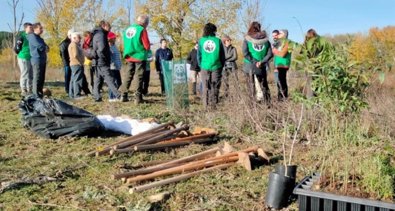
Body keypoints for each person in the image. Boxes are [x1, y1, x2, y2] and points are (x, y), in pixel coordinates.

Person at [119, 15, 151, 104]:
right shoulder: (142, 30)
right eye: (147, 23)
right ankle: (137, 97)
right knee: (139, 76)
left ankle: (123, 95)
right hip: (139, 55)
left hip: (129, 55)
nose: (147, 25)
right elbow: (146, 45)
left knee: (128, 75)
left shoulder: (128, 29)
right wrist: (148, 47)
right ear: (145, 23)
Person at [242, 21, 272, 104]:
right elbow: (270, 54)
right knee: (264, 86)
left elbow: (245, 53)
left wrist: (254, 61)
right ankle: (268, 104)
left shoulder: (247, 39)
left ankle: (252, 106)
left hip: (249, 66)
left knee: (250, 87)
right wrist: (261, 62)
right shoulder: (265, 40)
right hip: (261, 66)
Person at [197, 22, 225, 109]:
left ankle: (205, 106)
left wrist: (200, 65)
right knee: (215, 86)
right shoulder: (218, 40)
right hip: (216, 66)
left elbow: (199, 55)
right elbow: (222, 56)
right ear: (214, 30)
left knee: (205, 86)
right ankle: (214, 106)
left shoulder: (201, 41)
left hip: (204, 66)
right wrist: (221, 66)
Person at [91, 20, 121, 102]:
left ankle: (97, 97)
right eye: (109, 27)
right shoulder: (101, 35)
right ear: (104, 26)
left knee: (98, 80)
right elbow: (101, 49)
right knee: (109, 79)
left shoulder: (98, 34)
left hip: (98, 61)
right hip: (101, 61)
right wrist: (104, 58)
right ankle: (118, 96)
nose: (110, 28)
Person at [27, 22, 48, 98]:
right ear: (35, 29)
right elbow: (40, 46)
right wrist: (44, 47)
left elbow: (46, 47)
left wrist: (45, 47)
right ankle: (35, 94)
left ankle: (40, 93)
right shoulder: (32, 36)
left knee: (42, 77)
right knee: (37, 77)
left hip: (42, 59)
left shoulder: (40, 38)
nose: (42, 30)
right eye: (40, 28)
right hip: (37, 59)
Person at [272, 29, 292, 100]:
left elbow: (283, 54)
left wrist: (275, 51)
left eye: (280, 33)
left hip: (284, 64)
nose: (278, 34)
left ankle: (283, 98)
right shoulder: (280, 43)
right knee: (279, 81)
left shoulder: (287, 42)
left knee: (282, 81)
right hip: (279, 65)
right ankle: (280, 97)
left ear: (284, 34)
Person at [16, 22, 33, 96]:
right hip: (23, 57)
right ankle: (23, 89)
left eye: (32, 27)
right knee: (24, 73)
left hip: (31, 57)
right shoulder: (22, 37)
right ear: (25, 28)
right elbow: (17, 48)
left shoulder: (32, 36)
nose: (32, 28)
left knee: (30, 74)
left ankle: (30, 89)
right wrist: (21, 54)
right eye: (30, 27)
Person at [68, 32, 85, 99]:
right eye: (79, 37)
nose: (80, 39)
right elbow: (75, 55)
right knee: (77, 79)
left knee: (73, 79)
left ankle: (71, 94)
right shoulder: (74, 45)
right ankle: (77, 95)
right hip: (76, 64)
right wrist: (80, 62)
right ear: (74, 38)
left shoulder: (71, 44)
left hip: (73, 64)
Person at [108, 31, 122, 102]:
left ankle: (115, 95)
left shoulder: (114, 46)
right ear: (110, 38)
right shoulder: (108, 47)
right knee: (113, 82)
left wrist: (120, 65)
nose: (115, 39)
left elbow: (118, 56)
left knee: (119, 82)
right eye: (113, 38)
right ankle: (111, 97)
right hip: (112, 67)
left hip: (117, 67)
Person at [59, 29, 74, 95]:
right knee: (67, 76)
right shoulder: (64, 43)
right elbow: (63, 55)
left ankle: (72, 89)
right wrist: (66, 63)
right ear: (69, 35)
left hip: (72, 62)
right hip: (67, 63)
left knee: (72, 76)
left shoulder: (72, 42)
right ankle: (67, 90)